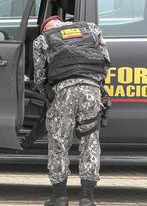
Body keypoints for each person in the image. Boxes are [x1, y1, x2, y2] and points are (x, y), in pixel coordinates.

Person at [33, 16, 110, 206]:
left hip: (63, 91)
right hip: (91, 90)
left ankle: (59, 197)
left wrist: (47, 94)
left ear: (46, 28)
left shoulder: (43, 39)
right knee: (90, 142)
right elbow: (105, 62)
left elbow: (39, 77)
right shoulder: (91, 29)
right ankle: (87, 198)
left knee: (59, 143)